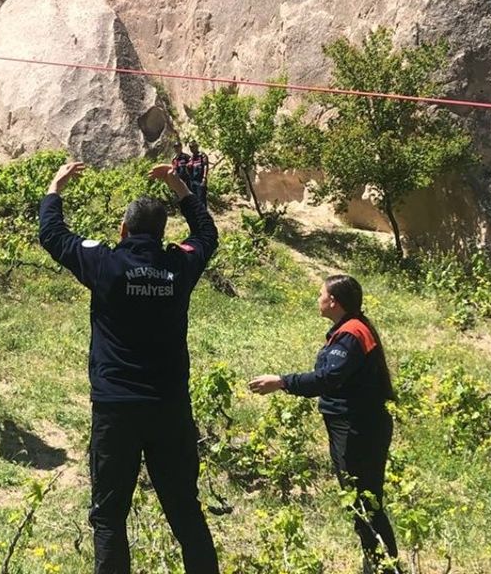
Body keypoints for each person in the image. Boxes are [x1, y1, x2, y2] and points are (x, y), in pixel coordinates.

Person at [38, 161, 220, 574]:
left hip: (116, 409)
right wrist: (182, 189)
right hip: (169, 408)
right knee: (185, 511)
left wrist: (55, 189)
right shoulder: (180, 266)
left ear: (123, 229)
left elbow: (52, 234)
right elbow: (207, 235)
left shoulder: (105, 263)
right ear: (162, 234)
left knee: (108, 516)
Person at [248, 275, 401, 574]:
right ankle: (376, 564)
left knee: (364, 502)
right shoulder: (351, 329)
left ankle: (383, 568)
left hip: (358, 428)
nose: (317, 298)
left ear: (333, 301)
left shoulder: (352, 334)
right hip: (356, 425)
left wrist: (281, 382)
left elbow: (328, 378)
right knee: (361, 501)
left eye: (321, 294)